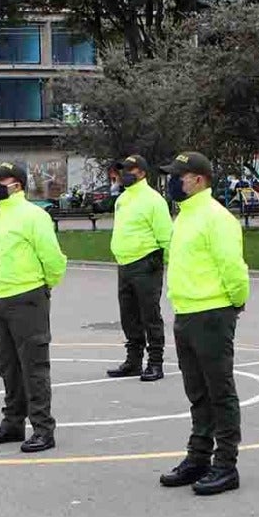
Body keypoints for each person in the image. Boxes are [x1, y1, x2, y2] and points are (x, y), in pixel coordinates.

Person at [157, 152, 248, 497]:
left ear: (198, 179)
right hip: (186, 312)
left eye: (177, 176)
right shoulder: (184, 217)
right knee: (198, 392)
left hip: (211, 313)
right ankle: (199, 456)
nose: (172, 182)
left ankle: (226, 463)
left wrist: (234, 302)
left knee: (219, 391)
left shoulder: (215, 218)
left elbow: (233, 268)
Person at [0, 161, 67, 454]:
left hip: (27, 297)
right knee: (8, 366)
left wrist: (44, 287)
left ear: (16, 184)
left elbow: (53, 258)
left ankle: (43, 428)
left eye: (0, 179)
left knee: (33, 366)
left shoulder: (33, 215)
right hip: (0, 298)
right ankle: (13, 423)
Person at [105, 155, 172, 382]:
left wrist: (163, 260)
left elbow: (166, 236)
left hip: (146, 263)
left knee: (149, 314)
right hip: (124, 263)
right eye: (122, 170)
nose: (123, 174)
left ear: (142, 172)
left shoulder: (154, 200)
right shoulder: (122, 199)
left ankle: (155, 362)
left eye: (129, 170)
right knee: (129, 315)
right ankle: (133, 360)